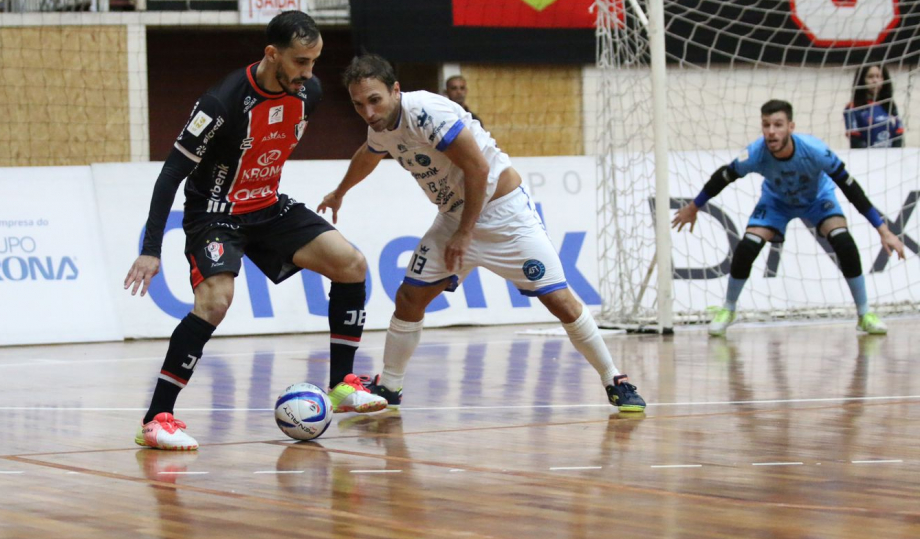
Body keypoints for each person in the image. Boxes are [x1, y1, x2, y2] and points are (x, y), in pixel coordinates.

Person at [318, 54, 646, 413]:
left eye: (374, 100)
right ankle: (391, 387)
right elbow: (370, 152)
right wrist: (340, 191)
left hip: (504, 215)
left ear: (395, 90)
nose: (367, 111)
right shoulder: (380, 125)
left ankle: (614, 379)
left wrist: (464, 233)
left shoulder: (428, 113)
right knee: (410, 298)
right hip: (455, 215)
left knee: (560, 300)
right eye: (358, 104)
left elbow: (477, 168)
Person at [124, 11, 386, 451]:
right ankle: (156, 420)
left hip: (267, 205)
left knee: (351, 264)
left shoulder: (310, 93)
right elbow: (170, 174)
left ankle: (342, 384)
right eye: (301, 62)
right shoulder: (221, 102)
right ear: (272, 54)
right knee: (214, 302)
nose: (309, 73)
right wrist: (150, 249)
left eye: (315, 61)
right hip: (215, 213)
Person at [673, 99, 906, 336]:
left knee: (843, 241)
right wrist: (694, 207)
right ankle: (729, 309)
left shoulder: (815, 151)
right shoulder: (755, 153)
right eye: (766, 125)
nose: (771, 132)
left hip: (817, 200)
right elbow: (724, 176)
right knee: (747, 246)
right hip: (776, 203)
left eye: (778, 125)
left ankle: (864, 314)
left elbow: (851, 188)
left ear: (791, 127)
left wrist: (883, 230)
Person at [844, 64, 905, 148]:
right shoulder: (853, 107)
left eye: (879, 76)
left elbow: (899, 135)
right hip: (865, 157)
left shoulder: (890, 105)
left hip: (890, 156)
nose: (875, 80)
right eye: (870, 77)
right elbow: (855, 140)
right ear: (862, 80)